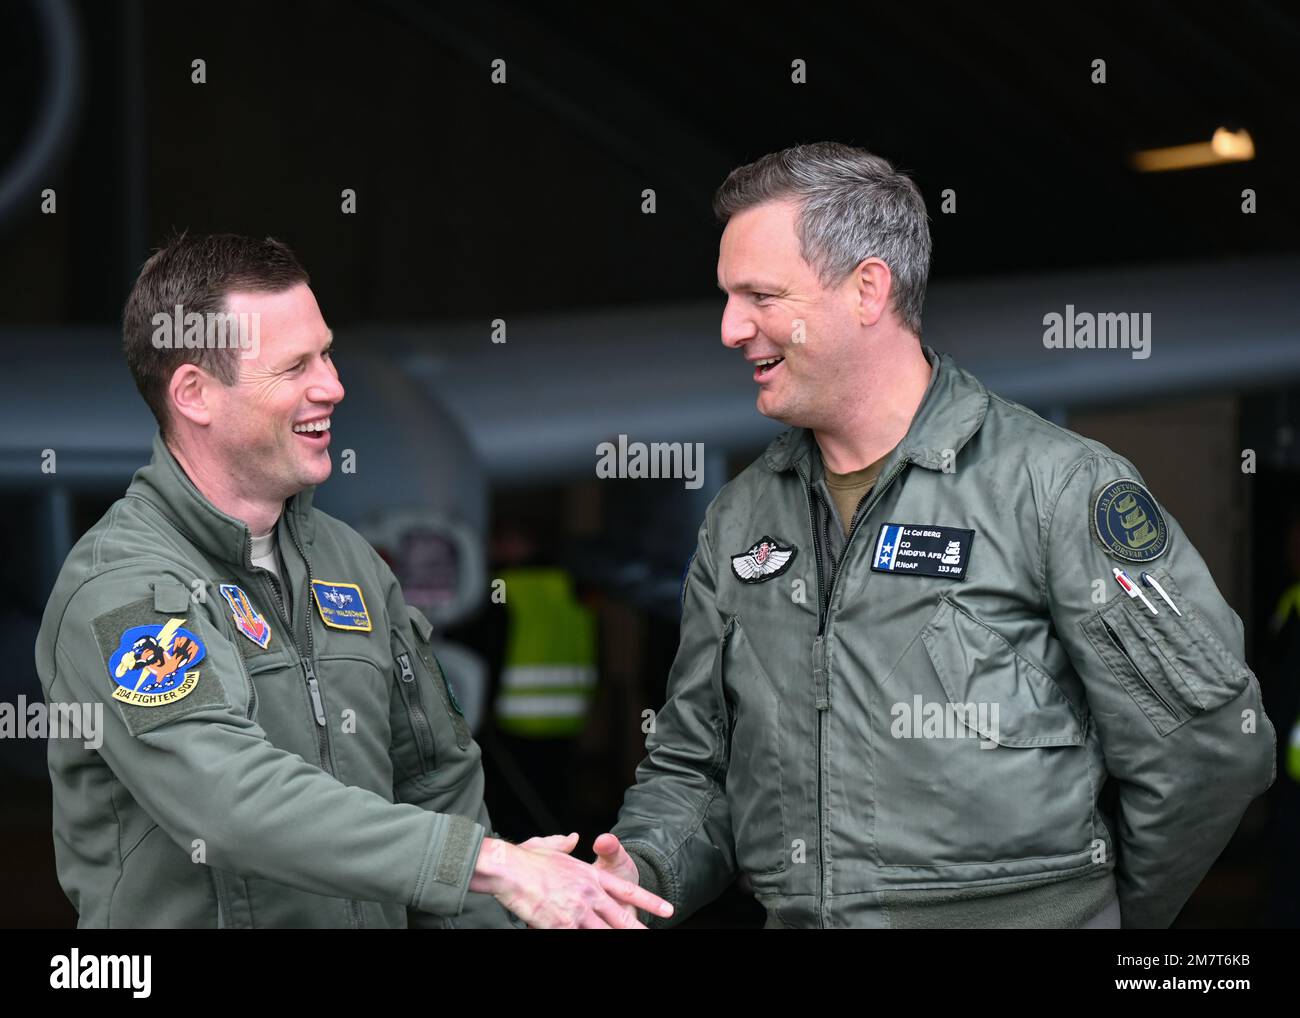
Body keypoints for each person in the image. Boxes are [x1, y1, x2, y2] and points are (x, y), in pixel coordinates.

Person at [592, 142, 1276, 929]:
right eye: (727, 296)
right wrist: (637, 868)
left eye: (760, 295)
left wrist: (1101, 912)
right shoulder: (743, 518)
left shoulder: (1056, 488)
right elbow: (696, 768)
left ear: (868, 289)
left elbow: (1211, 746)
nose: (729, 327)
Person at [34, 232, 672, 929]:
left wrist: (531, 902)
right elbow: (227, 800)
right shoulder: (124, 588)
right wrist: (492, 862)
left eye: (327, 352)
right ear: (194, 394)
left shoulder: (350, 562)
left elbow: (436, 780)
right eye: (295, 366)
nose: (333, 386)